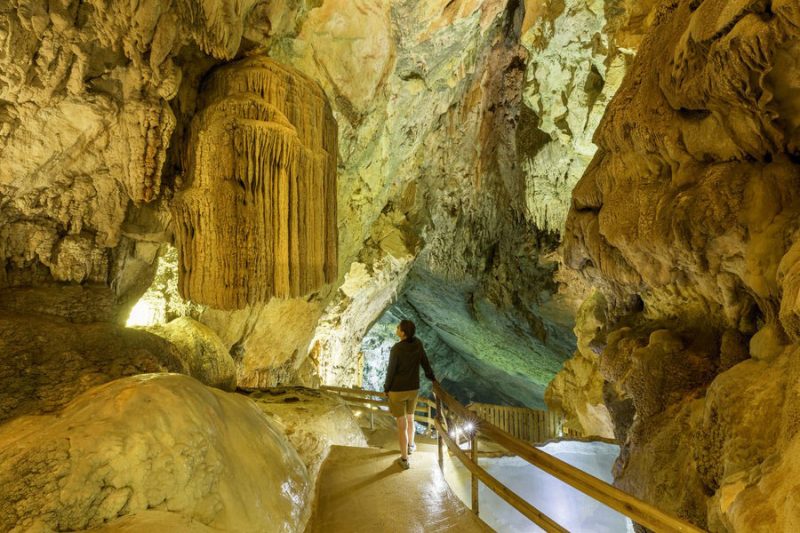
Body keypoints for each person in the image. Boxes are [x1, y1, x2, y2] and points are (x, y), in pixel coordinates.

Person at [383, 319, 436, 470]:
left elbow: (391, 371)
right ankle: (411, 446)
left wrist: (387, 388)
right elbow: (425, 363)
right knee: (411, 419)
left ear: (403, 332)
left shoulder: (396, 349)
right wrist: (432, 378)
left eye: (398, 327)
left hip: (398, 391)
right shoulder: (418, 344)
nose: (397, 328)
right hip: (413, 389)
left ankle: (404, 459)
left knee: (401, 425)